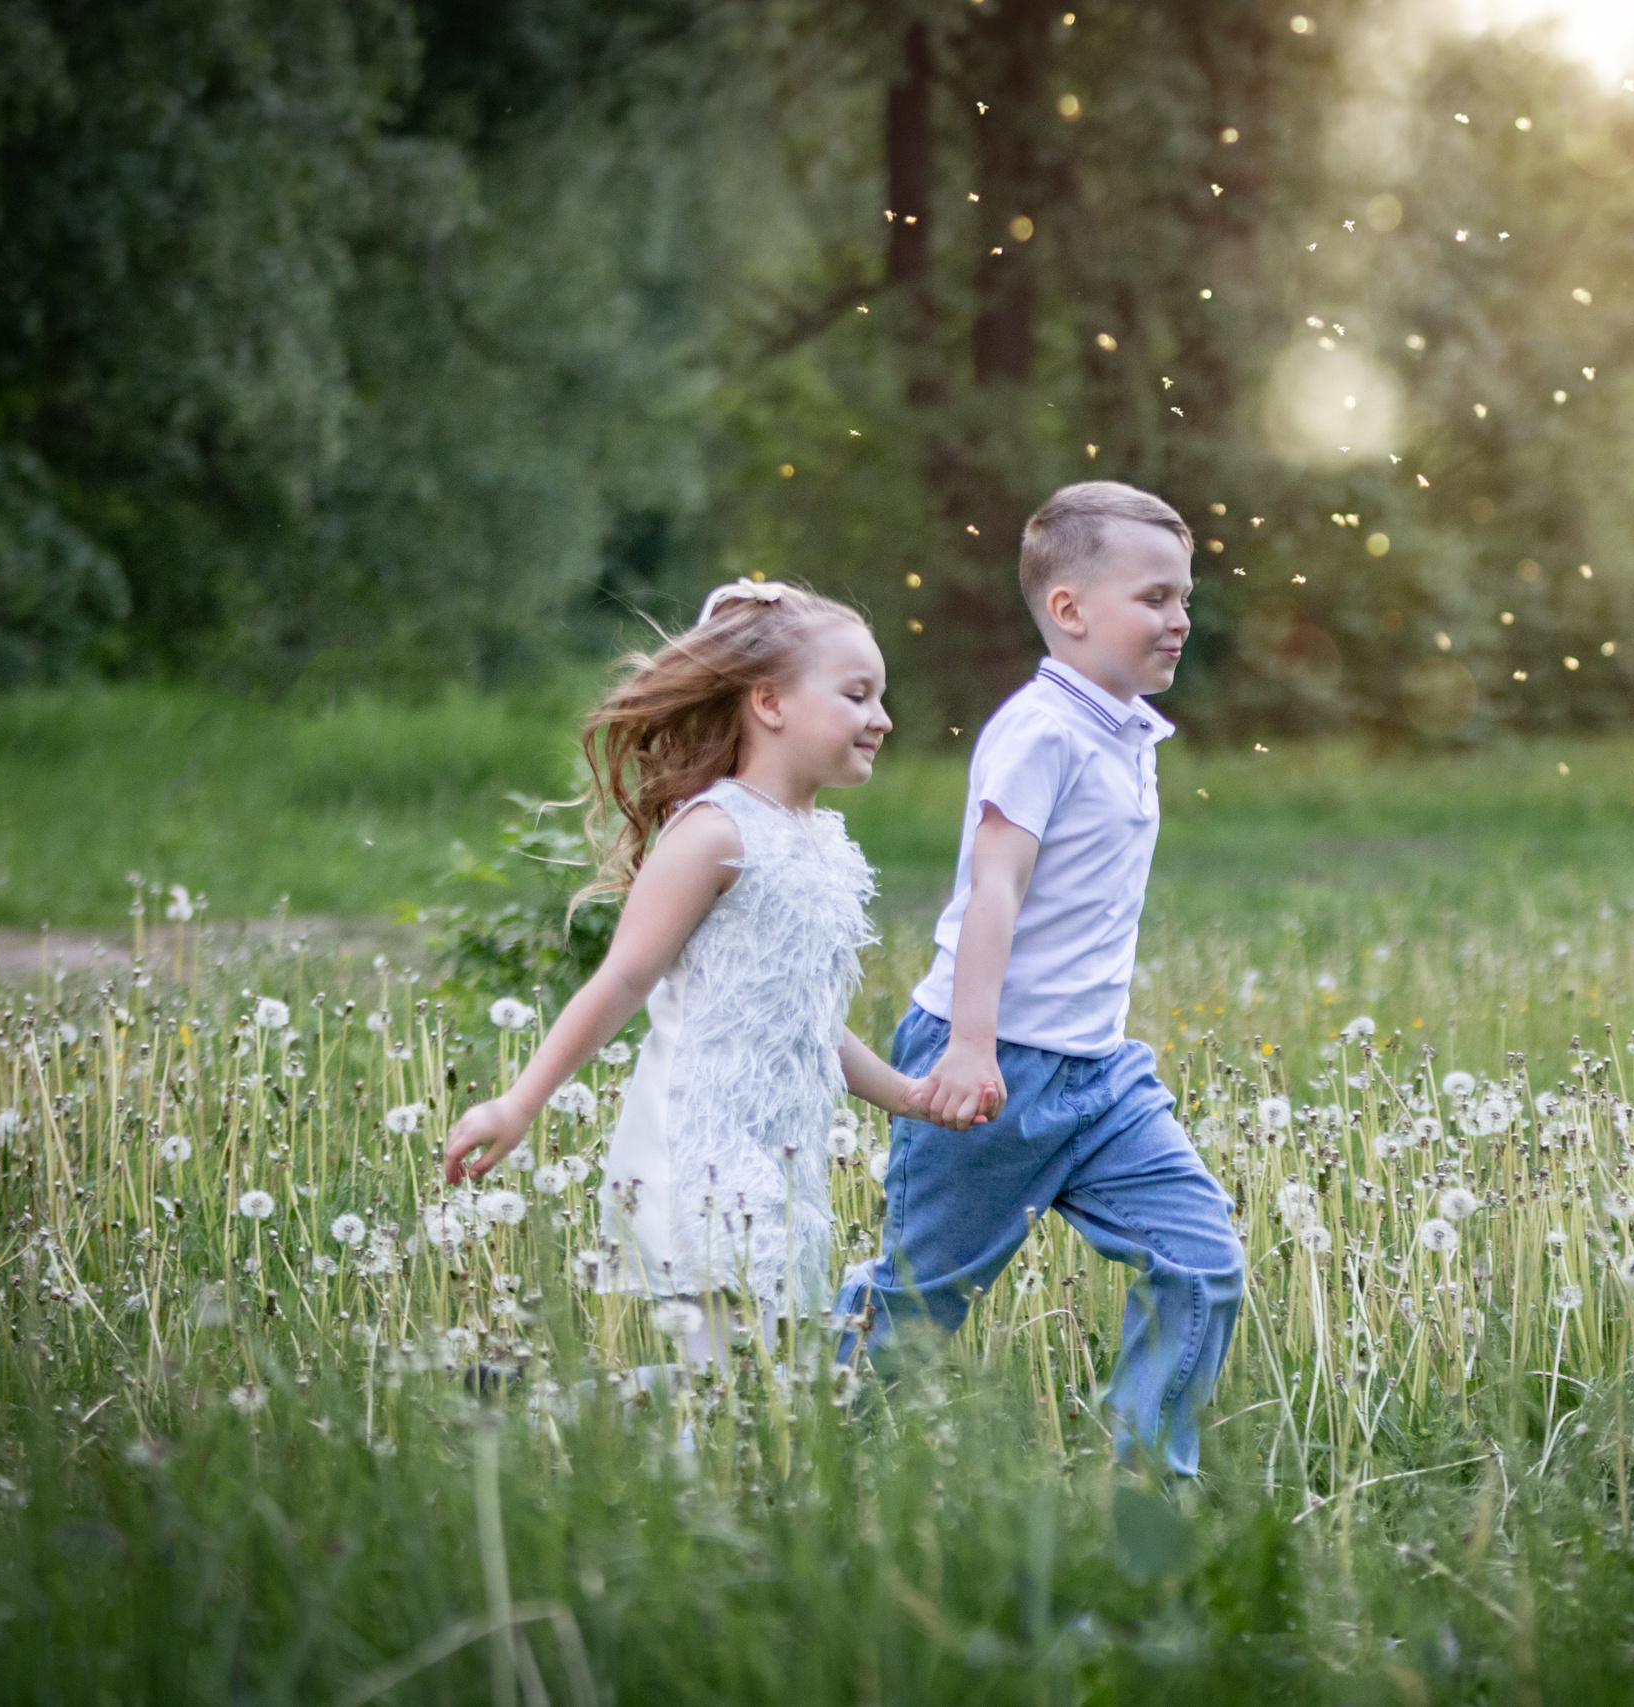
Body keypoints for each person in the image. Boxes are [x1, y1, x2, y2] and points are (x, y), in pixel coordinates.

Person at [442, 579, 961, 1369]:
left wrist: (906, 1096)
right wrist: (519, 1102)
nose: (882, 717)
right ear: (770, 702)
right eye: (857, 694)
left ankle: (545, 1405)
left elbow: (805, 1017)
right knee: (729, 1382)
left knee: (760, 1384)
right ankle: (543, 1411)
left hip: (787, 1147)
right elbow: (621, 980)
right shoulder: (714, 833)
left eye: (880, 696)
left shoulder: (823, 843)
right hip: (702, 1143)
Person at [837, 480, 1245, 1477]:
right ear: (1069, 610)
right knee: (915, 1317)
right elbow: (994, 890)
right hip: (994, 1066)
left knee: (1201, 1261)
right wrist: (972, 1048)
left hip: (1100, 1078)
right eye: (1153, 597)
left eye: (1184, 596)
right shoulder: (1041, 731)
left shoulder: (1122, 728)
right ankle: (810, 1446)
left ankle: (1147, 1484)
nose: (1180, 618)